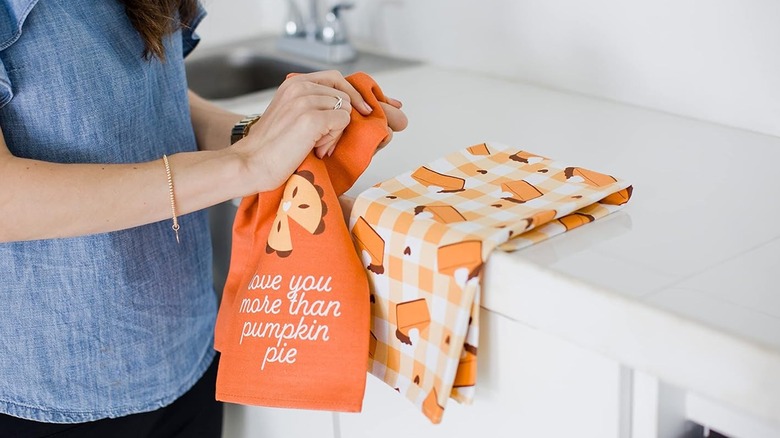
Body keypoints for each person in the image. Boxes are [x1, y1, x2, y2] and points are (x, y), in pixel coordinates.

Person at [0, 0, 408, 436]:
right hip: (50, 392)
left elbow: (156, 94)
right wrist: (246, 163)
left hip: (187, 347)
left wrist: (258, 135)